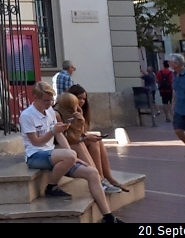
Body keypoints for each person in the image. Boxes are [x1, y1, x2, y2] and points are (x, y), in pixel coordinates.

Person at [19, 81, 121, 222]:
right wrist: (54, 132)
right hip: (35, 155)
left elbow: (59, 135)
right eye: (45, 101)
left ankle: (108, 217)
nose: (49, 104)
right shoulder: (26, 115)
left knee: (92, 173)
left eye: (51, 100)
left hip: (52, 153)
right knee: (71, 155)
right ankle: (51, 186)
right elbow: (36, 142)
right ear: (35, 98)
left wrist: (70, 154)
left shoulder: (50, 112)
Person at [67, 84, 129, 194]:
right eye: (79, 98)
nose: (82, 101)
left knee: (97, 141)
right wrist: (85, 136)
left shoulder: (80, 111)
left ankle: (108, 177)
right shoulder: (66, 112)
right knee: (92, 143)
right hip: (66, 144)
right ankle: (100, 180)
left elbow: (80, 133)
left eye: (84, 99)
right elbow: (70, 136)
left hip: (74, 140)